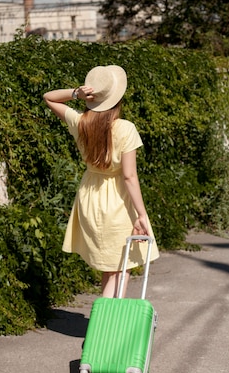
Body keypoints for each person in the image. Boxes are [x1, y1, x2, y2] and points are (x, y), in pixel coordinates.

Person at [43, 65, 159, 298]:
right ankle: (107, 328)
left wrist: (76, 93)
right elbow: (129, 176)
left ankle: (104, 326)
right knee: (122, 268)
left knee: (112, 268)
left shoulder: (80, 123)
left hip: (90, 196)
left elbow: (49, 98)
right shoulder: (125, 129)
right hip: (116, 201)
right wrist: (141, 214)